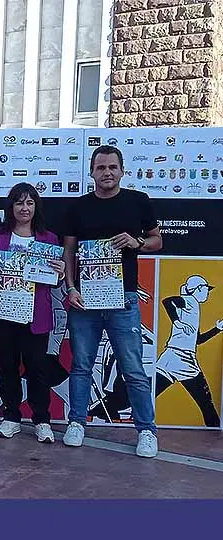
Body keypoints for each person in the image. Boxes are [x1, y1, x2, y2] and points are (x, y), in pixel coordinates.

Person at [62, 144, 163, 457]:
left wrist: (138, 242)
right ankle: (77, 421)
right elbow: (69, 251)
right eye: (100, 168)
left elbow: (158, 240)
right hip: (85, 300)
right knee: (81, 365)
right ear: (92, 172)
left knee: (132, 367)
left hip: (124, 299)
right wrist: (70, 287)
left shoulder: (138, 202)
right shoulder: (78, 207)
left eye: (112, 168)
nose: (106, 173)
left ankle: (146, 430)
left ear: (122, 171)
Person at [0, 183, 65, 443]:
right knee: (8, 368)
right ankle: (11, 416)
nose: (24, 208)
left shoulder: (48, 238)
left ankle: (42, 420)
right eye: (19, 203)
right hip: (3, 313)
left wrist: (59, 273)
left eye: (29, 203)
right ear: (11, 207)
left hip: (36, 317)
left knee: (38, 368)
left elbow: (54, 282)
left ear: (36, 207)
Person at [155, 275, 222, 428]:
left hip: (171, 358)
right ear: (198, 289)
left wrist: (217, 329)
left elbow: (198, 340)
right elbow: (167, 301)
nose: (207, 292)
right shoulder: (190, 301)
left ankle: (108, 409)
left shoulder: (193, 308)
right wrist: (177, 322)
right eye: (206, 289)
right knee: (207, 404)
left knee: (147, 394)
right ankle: (214, 434)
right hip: (183, 360)